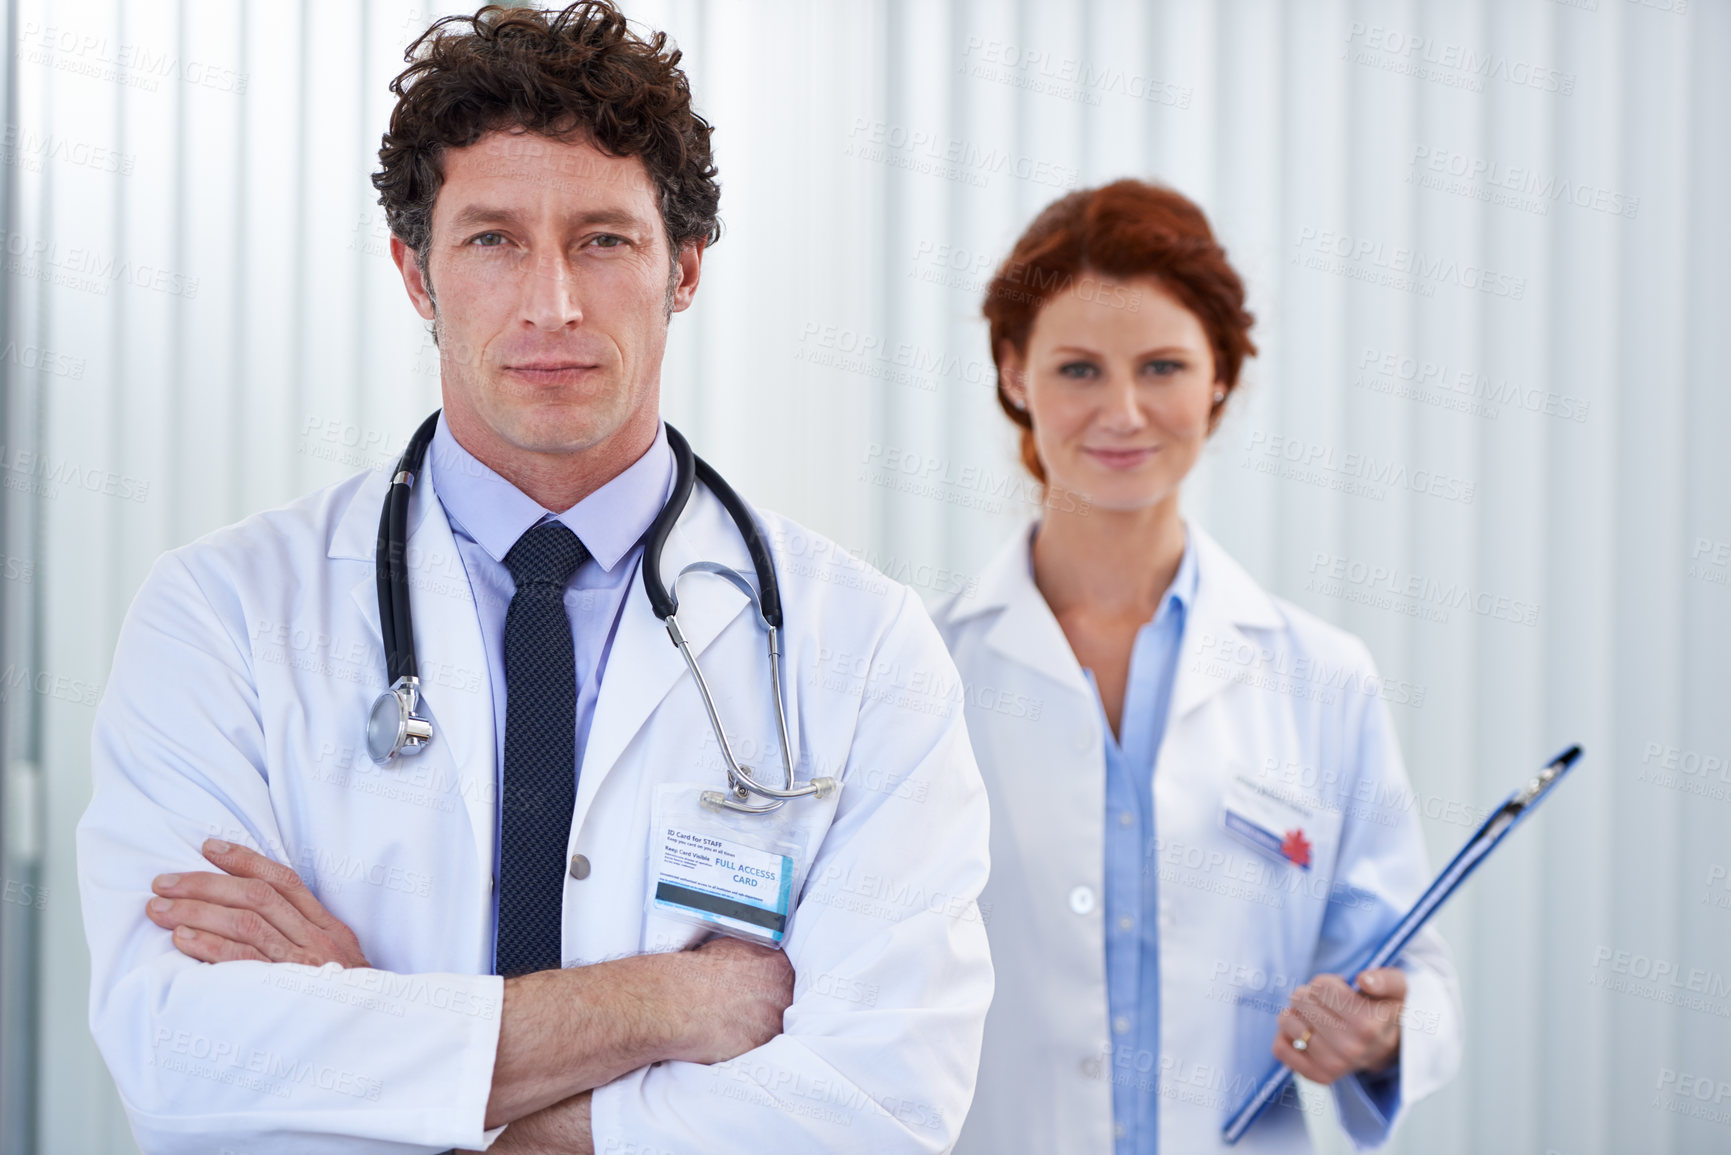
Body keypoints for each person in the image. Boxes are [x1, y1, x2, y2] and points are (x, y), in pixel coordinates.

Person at [75, 5, 991, 1152]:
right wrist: (664, 1005)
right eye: (492, 239)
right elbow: (184, 1055)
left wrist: (387, 1046)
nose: (551, 303)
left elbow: (879, 1100)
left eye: (604, 239)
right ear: (416, 272)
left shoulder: (858, 646)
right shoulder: (223, 615)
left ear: (685, 268)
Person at [939, 180, 1461, 1154]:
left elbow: (1406, 969)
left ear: (1220, 375)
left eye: (1164, 366)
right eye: (1080, 368)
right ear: (1015, 373)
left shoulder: (1322, 680)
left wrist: (1383, 1030)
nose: (1124, 411)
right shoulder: (925, 671)